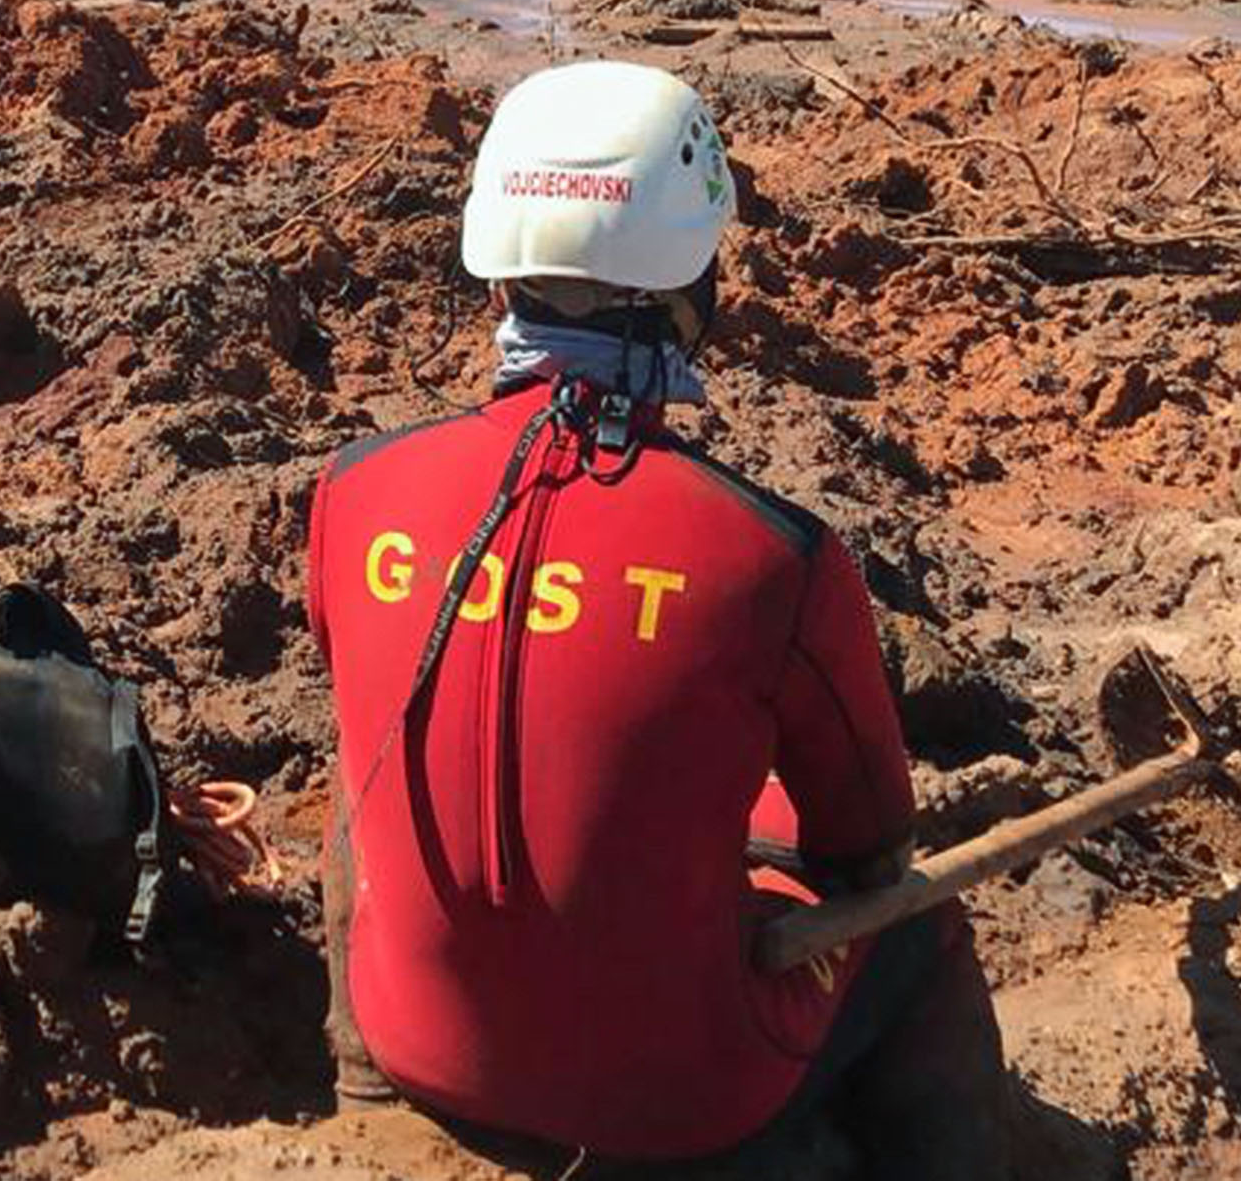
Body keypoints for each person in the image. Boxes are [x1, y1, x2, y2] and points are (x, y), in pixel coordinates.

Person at [306, 61, 1006, 1174]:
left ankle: (360, 1078)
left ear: (497, 284)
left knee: (360, 771)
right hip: (683, 1097)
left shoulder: (355, 490)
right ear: (699, 287)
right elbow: (870, 845)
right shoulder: (773, 557)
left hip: (417, 1040)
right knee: (914, 925)